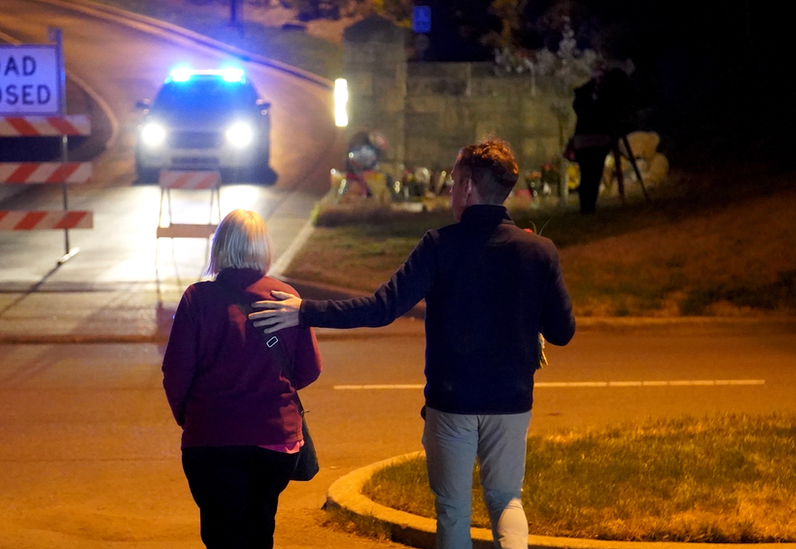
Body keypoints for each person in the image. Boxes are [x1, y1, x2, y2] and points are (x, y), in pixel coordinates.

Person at [249, 139, 575, 549]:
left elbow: (381, 308)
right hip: (512, 400)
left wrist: (303, 312)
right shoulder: (539, 251)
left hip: (452, 402)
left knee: (453, 508)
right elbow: (562, 331)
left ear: (470, 187)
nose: (451, 191)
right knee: (506, 499)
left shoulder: (440, 246)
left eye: (454, 182)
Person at [161, 209, 322, 549]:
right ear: (264, 247)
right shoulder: (285, 297)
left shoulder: (197, 299)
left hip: (212, 439)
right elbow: (309, 369)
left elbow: (175, 373)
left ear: (219, 248)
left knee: (222, 534)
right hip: (276, 440)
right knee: (260, 526)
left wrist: (188, 418)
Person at [570, 67, 633, 214]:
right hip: (592, 139)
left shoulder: (593, 95)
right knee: (589, 174)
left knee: (591, 174)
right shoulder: (588, 95)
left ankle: (588, 206)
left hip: (592, 139)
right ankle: (587, 206)